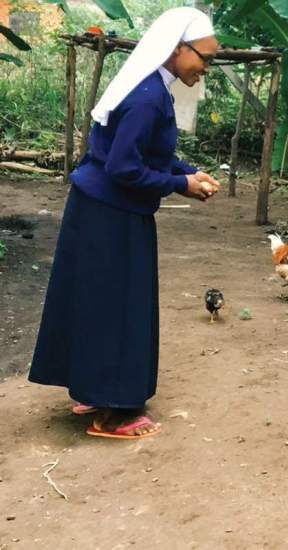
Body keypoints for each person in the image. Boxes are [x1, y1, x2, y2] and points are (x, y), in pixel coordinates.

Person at [29, 7, 221, 440]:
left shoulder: (147, 86)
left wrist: (187, 169)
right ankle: (113, 413)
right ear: (177, 48)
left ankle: (92, 391)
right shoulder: (148, 97)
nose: (205, 69)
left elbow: (145, 153)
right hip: (112, 215)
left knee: (95, 302)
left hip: (97, 209)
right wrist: (180, 184)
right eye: (203, 59)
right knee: (120, 308)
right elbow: (123, 168)